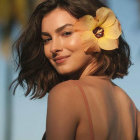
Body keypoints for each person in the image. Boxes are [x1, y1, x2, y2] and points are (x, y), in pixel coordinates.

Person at [11, 0, 140, 139]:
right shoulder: (131, 108)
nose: (54, 48)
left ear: (98, 33)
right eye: (47, 39)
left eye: (66, 33)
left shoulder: (66, 93)